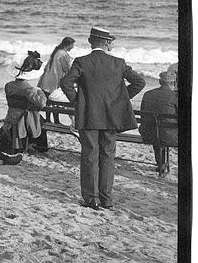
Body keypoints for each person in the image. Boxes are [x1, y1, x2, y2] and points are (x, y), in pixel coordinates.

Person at [59, 27, 146, 210]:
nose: (111, 44)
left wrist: (79, 102)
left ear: (92, 43)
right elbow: (140, 82)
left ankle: (91, 199)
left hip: (89, 116)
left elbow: (65, 83)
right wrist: (120, 100)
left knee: (89, 156)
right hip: (111, 117)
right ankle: (106, 200)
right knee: (108, 156)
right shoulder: (119, 62)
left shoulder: (82, 61)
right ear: (106, 43)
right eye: (110, 41)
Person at [1, 51, 48, 153]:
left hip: (12, 115)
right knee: (42, 121)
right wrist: (40, 91)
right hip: (25, 117)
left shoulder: (8, 86)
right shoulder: (29, 90)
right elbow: (42, 103)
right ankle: (40, 147)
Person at [138, 70, 178, 177]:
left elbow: (143, 115)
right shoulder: (175, 97)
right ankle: (162, 165)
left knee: (157, 130)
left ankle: (160, 164)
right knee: (165, 131)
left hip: (148, 134)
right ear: (173, 83)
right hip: (169, 137)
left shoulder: (147, 94)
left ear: (160, 82)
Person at [38, 37, 76, 122]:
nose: (73, 47)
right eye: (72, 45)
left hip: (47, 80)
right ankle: (56, 121)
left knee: (49, 102)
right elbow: (67, 69)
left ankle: (49, 119)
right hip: (55, 81)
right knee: (55, 101)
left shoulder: (57, 52)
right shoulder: (64, 54)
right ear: (68, 45)